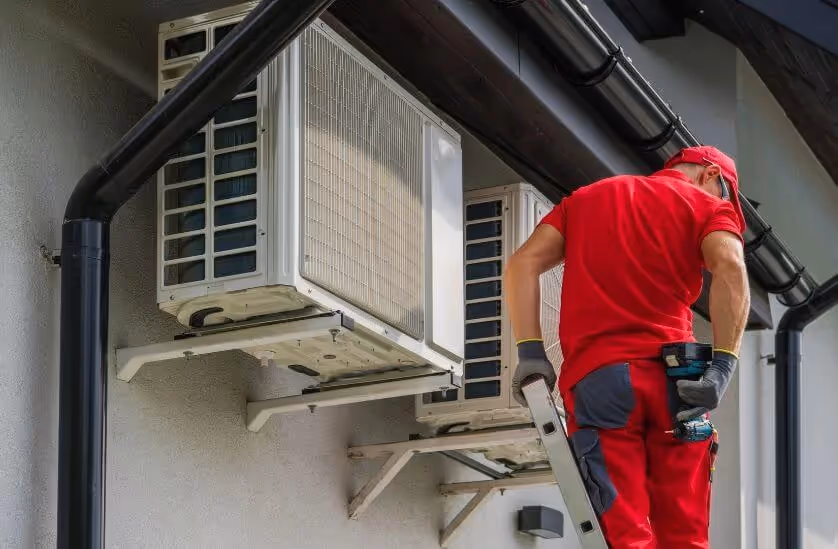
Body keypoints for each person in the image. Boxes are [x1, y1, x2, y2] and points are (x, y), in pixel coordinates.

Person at [503, 145, 750, 548]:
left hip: (601, 379)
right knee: (685, 535)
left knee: (626, 535)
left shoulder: (585, 200)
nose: (724, 204)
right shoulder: (708, 208)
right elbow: (731, 269)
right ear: (710, 175)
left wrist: (532, 353)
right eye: (725, 195)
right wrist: (722, 367)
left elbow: (522, 264)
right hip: (677, 380)